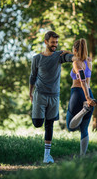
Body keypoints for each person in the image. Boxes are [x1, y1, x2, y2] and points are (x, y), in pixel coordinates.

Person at [29, 31, 76, 164]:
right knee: (38, 124)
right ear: (46, 42)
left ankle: (47, 156)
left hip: (54, 96)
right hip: (40, 95)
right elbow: (32, 76)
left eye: (56, 42)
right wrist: (30, 92)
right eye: (52, 42)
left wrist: (69, 52)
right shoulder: (37, 58)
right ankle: (39, 113)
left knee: (49, 125)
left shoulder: (59, 56)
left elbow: (72, 58)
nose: (55, 45)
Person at [66, 38, 96, 156]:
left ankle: (84, 110)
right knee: (84, 129)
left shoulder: (76, 63)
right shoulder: (89, 61)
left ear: (75, 49)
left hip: (78, 94)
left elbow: (82, 80)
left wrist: (87, 98)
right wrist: (89, 97)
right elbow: (86, 81)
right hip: (89, 92)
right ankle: (82, 157)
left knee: (70, 126)